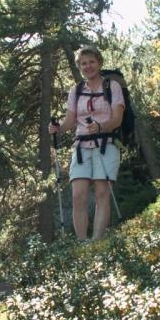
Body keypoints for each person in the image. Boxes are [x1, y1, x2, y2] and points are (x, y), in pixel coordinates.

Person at [48, 45, 125, 240]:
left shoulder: (112, 87)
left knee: (102, 193)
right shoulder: (76, 90)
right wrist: (58, 128)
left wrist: (100, 127)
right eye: (83, 63)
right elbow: (69, 121)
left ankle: (96, 243)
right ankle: (82, 243)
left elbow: (117, 119)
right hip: (81, 147)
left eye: (92, 62)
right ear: (79, 67)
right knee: (78, 195)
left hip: (106, 144)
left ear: (99, 63)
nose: (88, 66)